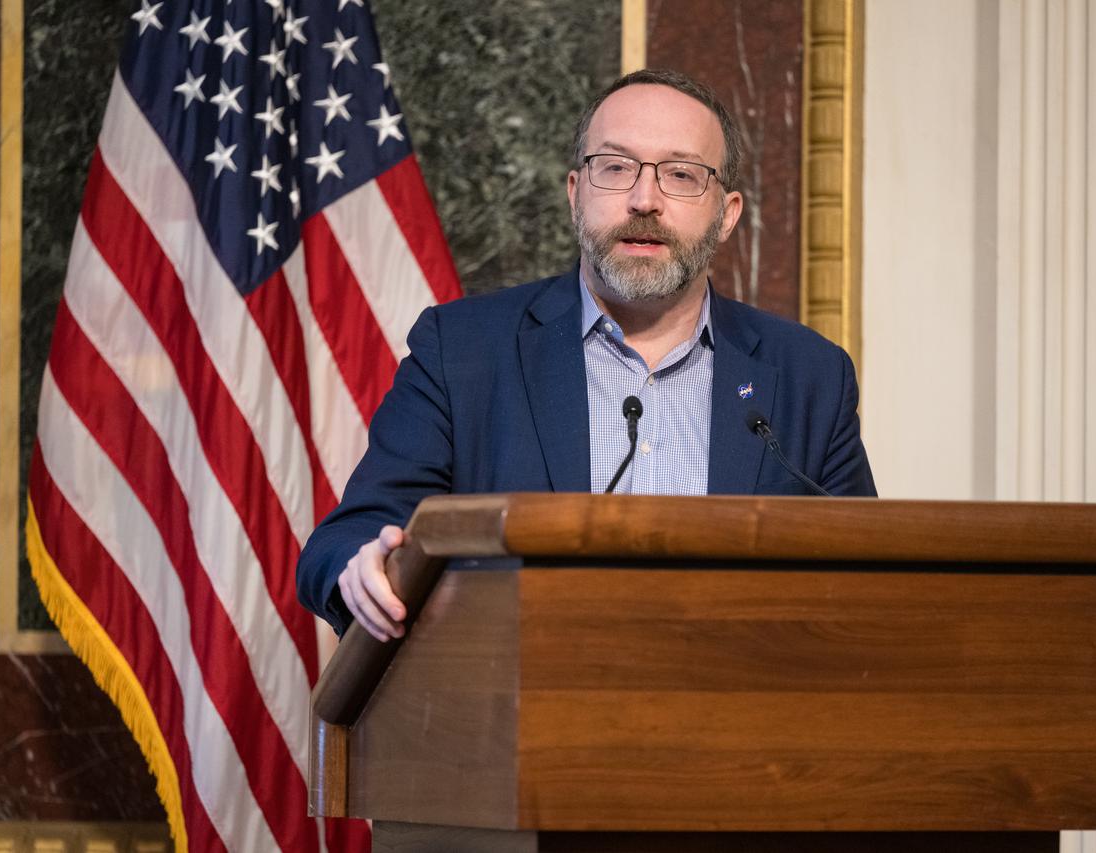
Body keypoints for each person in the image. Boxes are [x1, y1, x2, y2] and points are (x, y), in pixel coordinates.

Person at [297, 69, 877, 640]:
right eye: (616, 168)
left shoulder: (809, 376)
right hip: (515, 713)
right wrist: (362, 569)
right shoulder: (463, 350)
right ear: (576, 194)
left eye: (680, 174)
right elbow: (348, 539)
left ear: (726, 216)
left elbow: (870, 577)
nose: (644, 200)